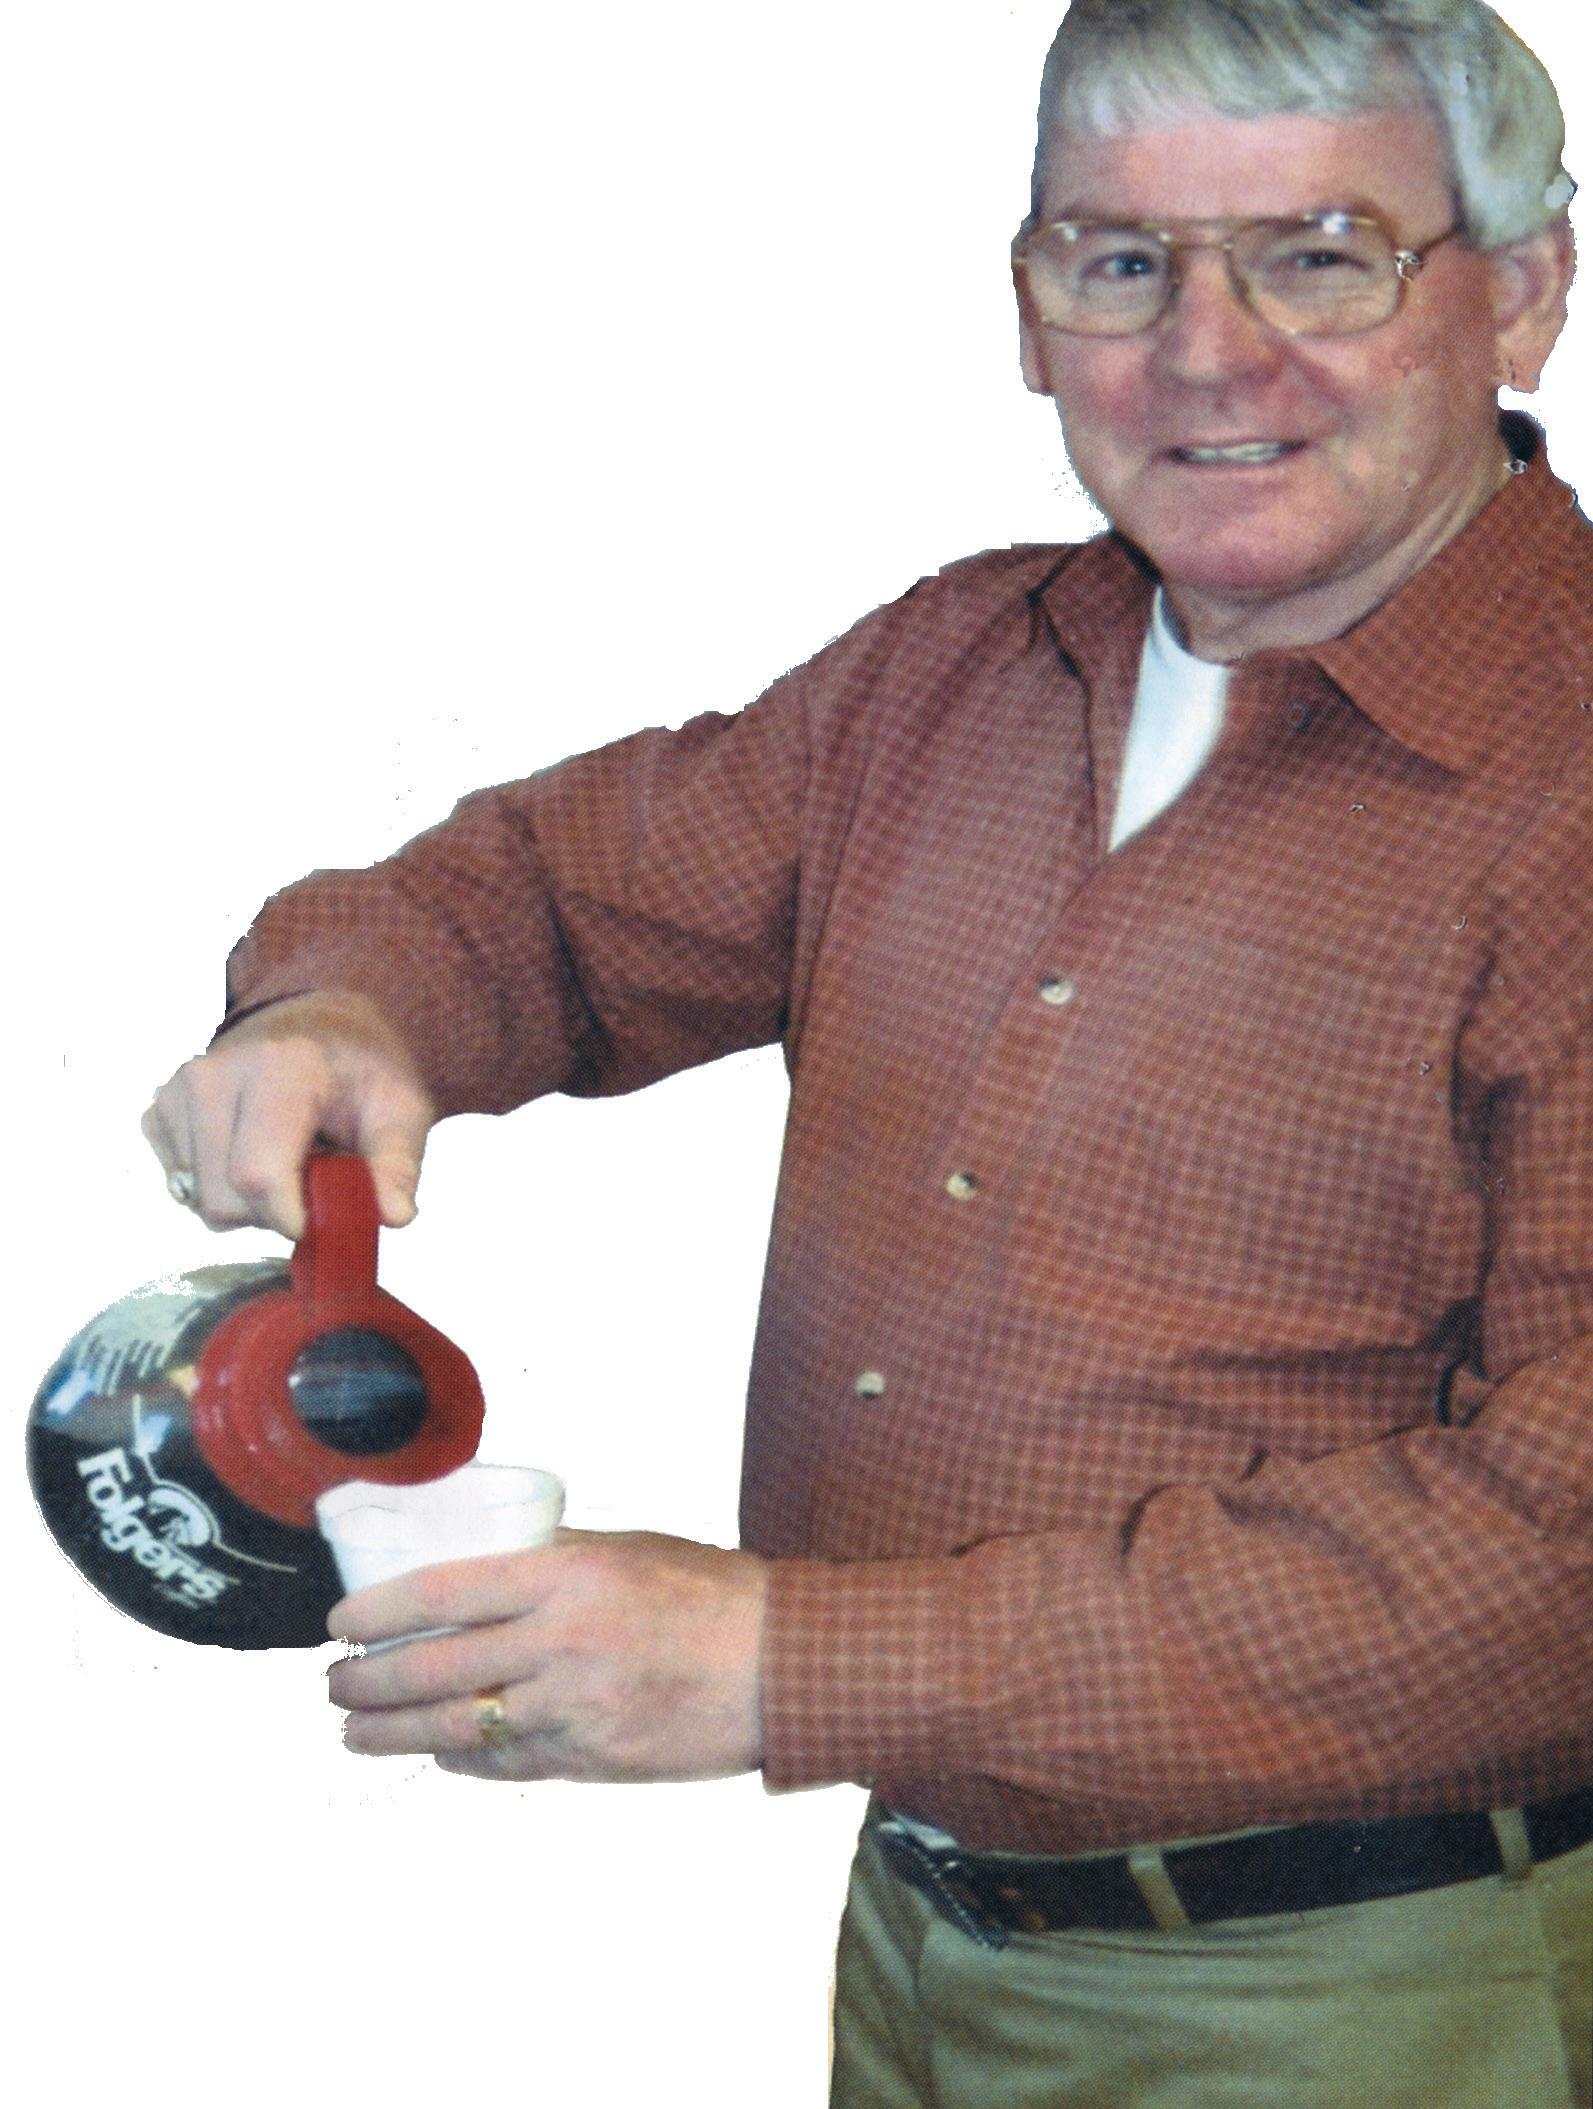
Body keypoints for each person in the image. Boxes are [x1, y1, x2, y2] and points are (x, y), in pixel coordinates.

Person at [143, 1, 1591, 2102]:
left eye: (1317, 255)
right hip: (925, 1928)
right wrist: (341, 1005)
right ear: (1027, 309)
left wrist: (779, 1662)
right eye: (1120, 261)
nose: (1204, 351)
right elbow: (551, 896)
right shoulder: (961, 667)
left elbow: (1560, 1551)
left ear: (1520, 290)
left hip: (1364, 1991)